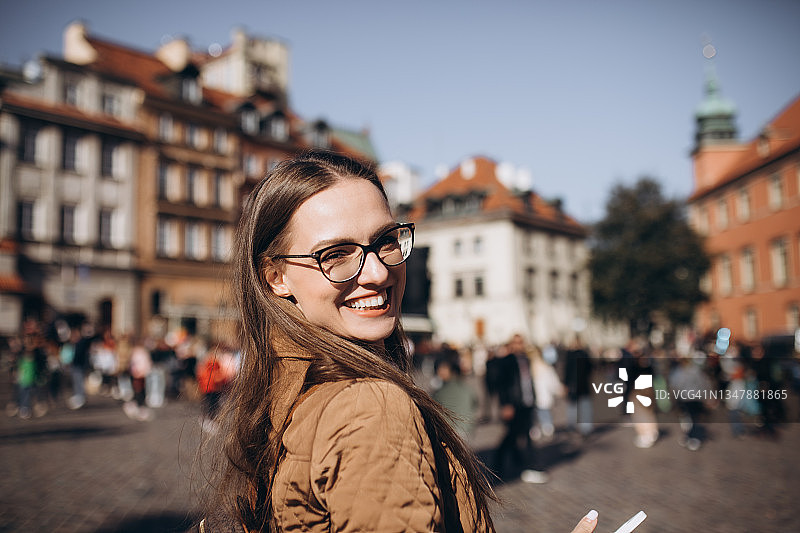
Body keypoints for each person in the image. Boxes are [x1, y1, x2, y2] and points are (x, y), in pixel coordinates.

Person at [198, 151, 599, 533]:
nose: (376, 271)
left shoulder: (277, 390)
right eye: (335, 254)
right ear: (276, 277)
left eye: (386, 240)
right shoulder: (369, 408)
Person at [493, 334, 549, 484]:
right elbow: (503, 386)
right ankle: (498, 465)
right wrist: (506, 404)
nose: (518, 345)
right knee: (511, 435)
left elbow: (528, 381)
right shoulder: (506, 361)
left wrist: (533, 398)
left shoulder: (526, 359)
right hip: (514, 404)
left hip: (527, 403)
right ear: (511, 344)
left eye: (521, 342)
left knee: (527, 435)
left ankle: (529, 465)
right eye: (515, 343)